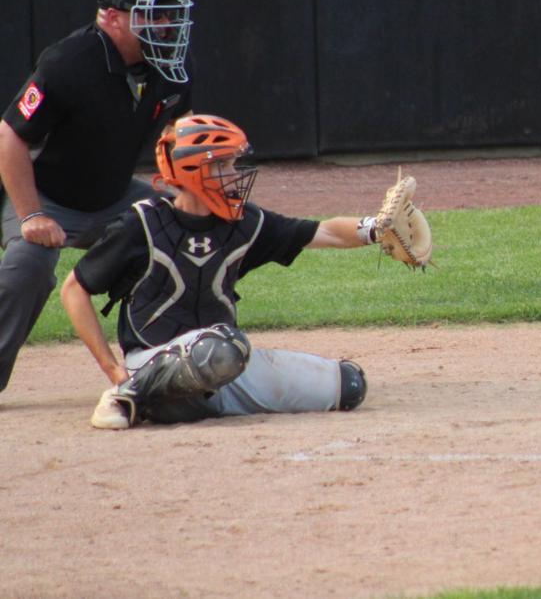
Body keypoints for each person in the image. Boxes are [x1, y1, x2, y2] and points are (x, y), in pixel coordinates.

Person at [59, 115, 376, 430]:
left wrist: (375, 229)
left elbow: (325, 233)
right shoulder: (142, 224)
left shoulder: (244, 222)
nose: (234, 175)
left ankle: (202, 403)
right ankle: (125, 395)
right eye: (223, 165)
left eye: (233, 164)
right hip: (154, 363)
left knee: (347, 386)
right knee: (219, 348)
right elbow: (74, 290)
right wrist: (113, 369)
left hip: (225, 366)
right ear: (191, 171)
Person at [0, 0, 192, 399]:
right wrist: (31, 214)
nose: (163, 25)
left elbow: (177, 133)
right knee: (28, 264)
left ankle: (178, 360)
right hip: (45, 195)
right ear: (111, 18)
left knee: (182, 232)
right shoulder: (67, 62)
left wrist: (182, 186)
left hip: (114, 195)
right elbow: (9, 134)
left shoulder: (171, 64)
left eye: (166, 15)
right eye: (149, 14)